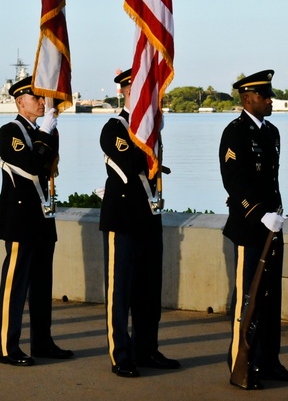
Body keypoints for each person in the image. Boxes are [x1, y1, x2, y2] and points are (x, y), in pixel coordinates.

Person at [220, 70, 288, 389]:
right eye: (264, 96)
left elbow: (270, 179)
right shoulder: (235, 133)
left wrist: (275, 215)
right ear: (247, 99)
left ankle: (269, 361)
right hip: (249, 228)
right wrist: (259, 215)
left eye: (270, 95)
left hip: (271, 227)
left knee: (269, 298)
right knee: (247, 299)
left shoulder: (271, 133)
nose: (270, 100)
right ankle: (241, 365)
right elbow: (234, 181)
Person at [99, 70, 179, 377]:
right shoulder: (114, 128)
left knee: (149, 290)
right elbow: (133, 163)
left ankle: (147, 349)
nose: (146, 95)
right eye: (138, 89)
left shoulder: (150, 128)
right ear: (124, 92)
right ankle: (121, 355)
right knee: (121, 293)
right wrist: (148, 132)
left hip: (149, 218)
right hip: (124, 219)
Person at [0, 76, 72, 367]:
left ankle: (42, 342)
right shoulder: (9, 132)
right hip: (19, 220)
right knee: (15, 286)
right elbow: (31, 164)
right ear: (20, 101)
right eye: (37, 98)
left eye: (43, 98)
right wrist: (45, 132)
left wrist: (46, 132)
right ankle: (8, 347)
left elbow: (48, 166)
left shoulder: (44, 131)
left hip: (41, 219)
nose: (43, 102)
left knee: (42, 285)